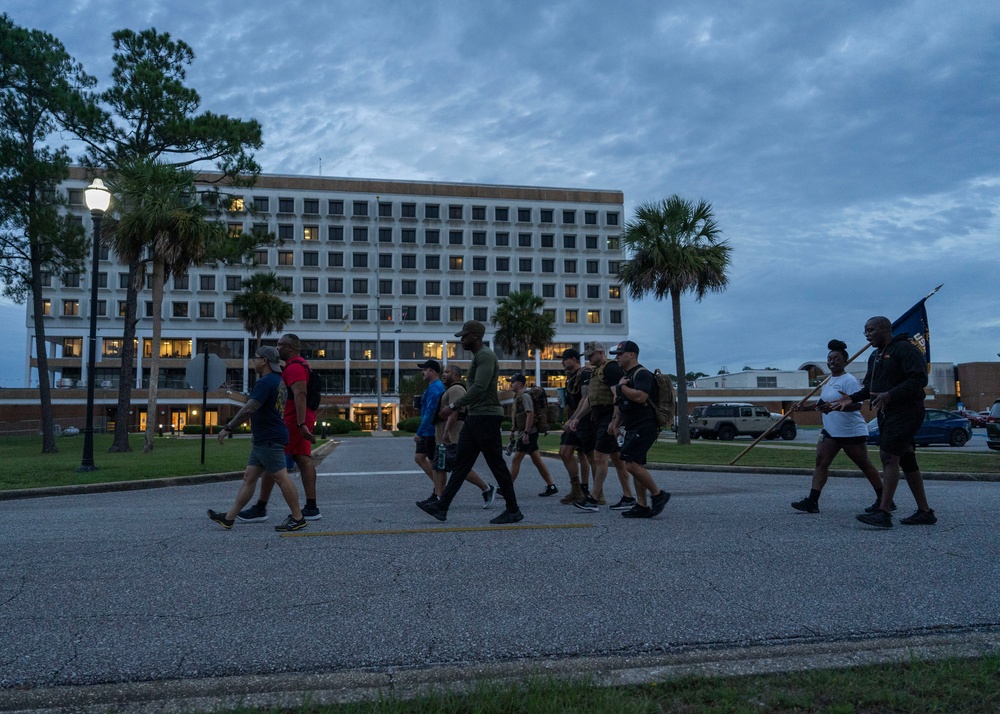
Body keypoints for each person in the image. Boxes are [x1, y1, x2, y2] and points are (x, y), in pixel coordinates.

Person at [831, 316, 936, 527]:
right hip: (886, 412)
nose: (867, 335)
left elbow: (919, 379)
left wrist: (890, 394)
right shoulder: (875, 356)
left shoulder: (905, 349)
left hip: (906, 410)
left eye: (870, 330)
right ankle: (925, 512)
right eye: (865, 332)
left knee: (888, 456)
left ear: (882, 329)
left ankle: (884, 512)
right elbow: (869, 387)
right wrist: (852, 398)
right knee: (906, 459)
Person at [416, 320, 522, 524]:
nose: (461, 340)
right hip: (475, 416)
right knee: (461, 464)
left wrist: (454, 406)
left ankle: (513, 509)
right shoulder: (478, 357)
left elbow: (480, 387)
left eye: (464, 336)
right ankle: (442, 506)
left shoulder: (485, 356)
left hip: (487, 416)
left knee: (496, 464)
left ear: (475, 336)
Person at [208, 346, 307, 532]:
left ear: (264, 361)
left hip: (270, 438)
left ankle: (298, 517)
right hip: (265, 438)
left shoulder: (265, 382)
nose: (253, 361)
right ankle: (229, 518)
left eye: (255, 357)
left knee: (282, 478)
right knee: (249, 478)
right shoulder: (278, 381)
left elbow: (249, 408)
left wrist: (228, 427)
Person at [789, 340, 885, 514]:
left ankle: (884, 499)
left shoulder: (850, 381)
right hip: (831, 430)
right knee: (821, 462)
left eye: (836, 359)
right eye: (829, 359)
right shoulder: (828, 381)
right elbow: (821, 403)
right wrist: (803, 407)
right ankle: (812, 501)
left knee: (864, 464)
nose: (832, 362)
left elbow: (856, 405)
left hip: (850, 431)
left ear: (845, 361)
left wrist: (835, 406)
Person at [237, 334, 321, 522]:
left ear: (290, 347)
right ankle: (312, 507)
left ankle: (260, 507)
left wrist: (300, 425)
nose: (276, 349)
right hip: (301, 417)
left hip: (295, 419)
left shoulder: (295, 367)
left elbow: (300, 395)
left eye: (279, 345)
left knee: (272, 459)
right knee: (303, 458)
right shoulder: (302, 365)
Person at [566, 342, 634, 512]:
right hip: (599, 418)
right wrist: (577, 418)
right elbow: (590, 398)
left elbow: (617, 395)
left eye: (591, 355)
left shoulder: (610, 368)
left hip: (608, 417)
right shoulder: (596, 371)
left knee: (599, 457)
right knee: (618, 460)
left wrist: (614, 421)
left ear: (601, 352)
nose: (588, 358)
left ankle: (594, 499)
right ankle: (629, 497)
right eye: (587, 355)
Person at [609, 340, 671, 519]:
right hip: (632, 425)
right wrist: (615, 423)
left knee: (630, 463)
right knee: (637, 464)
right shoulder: (626, 376)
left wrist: (622, 387)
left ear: (632, 355)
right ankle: (642, 505)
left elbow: (641, 397)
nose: (617, 357)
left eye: (620, 354)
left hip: (644, 425)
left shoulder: (642, 374)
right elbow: (621, 404)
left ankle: (658, 495)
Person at [428, 364, 497, 508]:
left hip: (453, 436)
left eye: (447, 372)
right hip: (442, 437)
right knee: (438, 467)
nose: (444, 374)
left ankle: (486, 489)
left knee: (459, 468)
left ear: (457, 375)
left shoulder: (457, 389)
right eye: (444, 372)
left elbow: (455, 411)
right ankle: (439, 500)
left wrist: (447, 430)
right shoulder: (449, 390)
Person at [507, 373, 558, 496]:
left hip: (529, 433)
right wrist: (513, 431)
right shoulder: (517, 397)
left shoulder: (525, 397)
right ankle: (551, 486)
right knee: (537, 461)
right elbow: (518, 417)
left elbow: (530, 414)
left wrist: (525, 433)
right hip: (526, 433)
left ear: (519, 384)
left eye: (512, 382)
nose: (510, 384)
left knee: (516, 459)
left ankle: (506, 487)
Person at [558, 348, 595, 505]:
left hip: (585, 420)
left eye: (565, 359)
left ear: (573, 359)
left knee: (588, 456)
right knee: (565, 452)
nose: (562, 363)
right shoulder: (569, 378)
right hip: (574, 420)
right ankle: (577, 490)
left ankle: (593, 492)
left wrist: (574, 418)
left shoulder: (584, 374)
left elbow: (585, 398)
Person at [413, 359, 446, 501]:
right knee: (419, 458)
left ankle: (439, 493)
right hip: (428, 430)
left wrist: (419, 432)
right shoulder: (432, 386)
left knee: (436, 464)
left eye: (425, 369)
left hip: (432, 431)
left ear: (432, 371)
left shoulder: (435, 388)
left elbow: (431, 412)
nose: (422, 372)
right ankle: (439, 490)